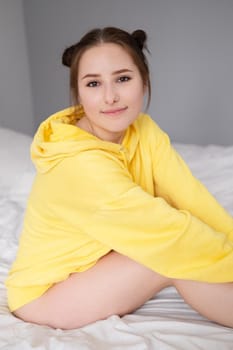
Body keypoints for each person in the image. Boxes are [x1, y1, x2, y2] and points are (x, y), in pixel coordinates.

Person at [5, 27, 233, 330]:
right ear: (79, 92)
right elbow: (165, 232)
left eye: (123, 79)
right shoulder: (79, 163)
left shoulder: (144, 130)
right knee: (170, 258)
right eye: (93, 83)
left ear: (144, 81)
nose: (110, 97)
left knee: (181, 239)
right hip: (47, 295)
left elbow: (189, 197)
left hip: (98, 262)